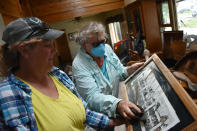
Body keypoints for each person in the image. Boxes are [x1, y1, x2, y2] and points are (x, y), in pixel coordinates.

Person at [0, 17, 123, 131]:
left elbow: (84, 112)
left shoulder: (58, 75)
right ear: (24, 50)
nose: (55, 51)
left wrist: (111, 122)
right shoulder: (8, 95)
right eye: (48, 45)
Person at [72, 22, 144, 121]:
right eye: (96, 44)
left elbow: (120, 72)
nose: (102, 46)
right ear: (84, 45)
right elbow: (92, 96)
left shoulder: (107, 49)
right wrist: (116, 104)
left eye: (103, 41)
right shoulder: (79, 64)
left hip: (117, 107)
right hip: (99, 117)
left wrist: (129, 70)